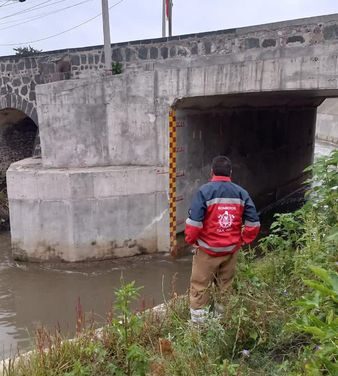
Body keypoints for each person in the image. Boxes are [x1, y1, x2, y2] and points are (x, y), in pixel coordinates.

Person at [185, 156, 260, 324]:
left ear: (211, 172)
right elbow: (253, 223)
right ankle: (222, 323)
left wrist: (192, 241)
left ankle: (199, 328)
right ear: (230, 173)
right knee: (225, 288)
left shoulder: (204, 192)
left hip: (207, 252)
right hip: (230, 252)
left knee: (199, 288)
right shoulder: (241, 193)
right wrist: (243, 240)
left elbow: (194, 224)